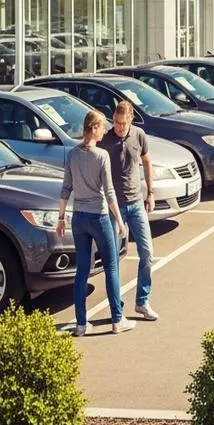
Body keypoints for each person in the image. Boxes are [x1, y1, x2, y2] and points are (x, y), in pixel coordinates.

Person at [56, 109, 134, 336]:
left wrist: (61, 219)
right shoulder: (101, 156)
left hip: (78, 218)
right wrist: (120, 222)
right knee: (111, 267)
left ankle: (81, 324)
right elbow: (109, 193)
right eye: (103, 127)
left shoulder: (72, 154)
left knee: (82, 271)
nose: (106, 130)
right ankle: (117, 320)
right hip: (99, 217)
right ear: (95, 128)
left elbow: (65, 189)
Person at [99, 100, 159, 321]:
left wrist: (150, 193)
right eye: (116, 122)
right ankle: (118, 309)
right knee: (113, 259)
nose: (119, 127)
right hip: (115, 208)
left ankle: (142, 302)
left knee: (147, 253)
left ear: (131, 120)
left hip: (136, 204)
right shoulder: (105, 140)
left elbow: (146, 162)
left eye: (123, 123)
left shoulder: (139, 135)